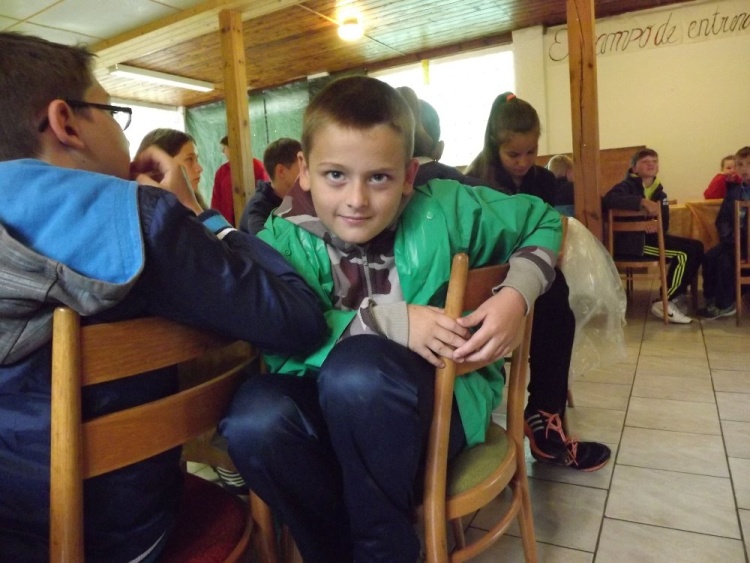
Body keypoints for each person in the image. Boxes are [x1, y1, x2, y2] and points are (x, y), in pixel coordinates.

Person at [0, 32, 327, 562]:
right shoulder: (135, 219)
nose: (121, 132)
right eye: (111, 111)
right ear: (66, 123)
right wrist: (196, 212)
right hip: (112, 535)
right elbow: (301, 318)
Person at [219, 75, 562, 563]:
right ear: (305, 172)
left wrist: (515, 296)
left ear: (408, 175)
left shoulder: (445, 207)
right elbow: (279, 341)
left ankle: (387, 552)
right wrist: (388, 323)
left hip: (436, 407)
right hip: (327, 409)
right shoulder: (279, 239)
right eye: (335, 175)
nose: (357, 199)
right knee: (254, 419)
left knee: (359, 375)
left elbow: (544, 219)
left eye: (378, 177)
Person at [464, 92, 611, 470]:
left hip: (530, 272)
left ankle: (545, 412)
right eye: (514, 154)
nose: (524, 162)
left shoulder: (543, 179)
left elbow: (550, 231)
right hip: (489, 281)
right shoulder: (474, 181)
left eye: (531, 152)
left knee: (557, 293)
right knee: (552, 295)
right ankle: (538, 416)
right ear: (494, 146)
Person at [602, 148, 704, 323]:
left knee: (696, 246)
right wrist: (641, 202)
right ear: (634, 168)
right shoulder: (626, 186)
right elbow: (608, 200)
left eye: (654, 161)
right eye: (645, 161)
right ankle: (666, 301)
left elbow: (663, 224)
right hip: (632, 244)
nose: (651, 164)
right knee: (684, 254)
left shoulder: (660, 193)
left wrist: (655, 225)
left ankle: (674, 296)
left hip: (652, 239)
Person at [699, 146, 750, 319]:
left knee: (725, 261)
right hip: (735, 240)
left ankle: (725, 303)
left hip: (748, 243)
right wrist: (730, 238)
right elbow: (722, 220)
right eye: (740, 165)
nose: (744, 169)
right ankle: (711, 298)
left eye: (749, 164)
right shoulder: (734, 192)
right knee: (709, 256)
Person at [239, 137, 302, 234]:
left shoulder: (300, 199)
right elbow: (264, 241)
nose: (309, 174)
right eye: (303, 167)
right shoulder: (258, 211)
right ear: (281, 171)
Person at [136, 128, 208, 209]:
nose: (199, 169)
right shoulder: (151, 214)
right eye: (189, 160)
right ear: (159, 167)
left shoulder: (199, 207)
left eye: (196, 160)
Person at [211, 135, 269, 225]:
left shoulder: (258, 167)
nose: (223, 151)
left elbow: (264, 197)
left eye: (225, 148)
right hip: (227, 225)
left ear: (232, 147)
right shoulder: (221, 172)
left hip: (253, 222)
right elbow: (216, 202)